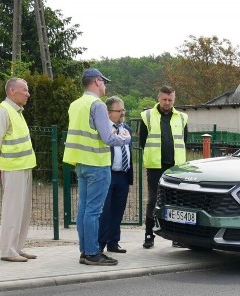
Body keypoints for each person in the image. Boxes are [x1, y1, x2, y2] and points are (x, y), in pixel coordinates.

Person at [63, 68, 130, 266]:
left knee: (84, 209)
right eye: (104, 82)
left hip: (80, 162)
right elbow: (108, 137)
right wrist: (124, 139)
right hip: (97, 164)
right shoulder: (98, 105)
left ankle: (85, 251)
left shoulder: (75, 104)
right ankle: (93, 252)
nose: (105, 85)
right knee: (93, 211)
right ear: (97, 81)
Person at [0, 77, 37, 263]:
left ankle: (17, 247)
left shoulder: (17, 112)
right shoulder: (3, 112)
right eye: (24, 90)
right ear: (11, 91)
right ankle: (8, 250)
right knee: (13, 210)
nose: (28, 94)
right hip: (13, 167)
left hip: (24, 166)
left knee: (24, 211)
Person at [139, 86, 188, 249]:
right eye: (164, 99)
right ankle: (148, 234)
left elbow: (184, 141)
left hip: (176, 167)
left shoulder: (182, 117)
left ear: (174, 100)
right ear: (158, 98)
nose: (167, 103)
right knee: (153, 200)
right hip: (155, 166)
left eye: (170, 100)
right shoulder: (147, 116)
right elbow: (142, 142)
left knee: (177, 201)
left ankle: (177, 236)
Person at [98, 96, 133, 254]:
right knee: (105, 211)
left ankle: (114, 242)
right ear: (109, 113)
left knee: (118, 210)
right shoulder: (104, 129)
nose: (122, 113)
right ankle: (100, 244)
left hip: (123, 175)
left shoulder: (127, 130)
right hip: (108, 174)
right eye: (119, 111)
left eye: (123, 110)